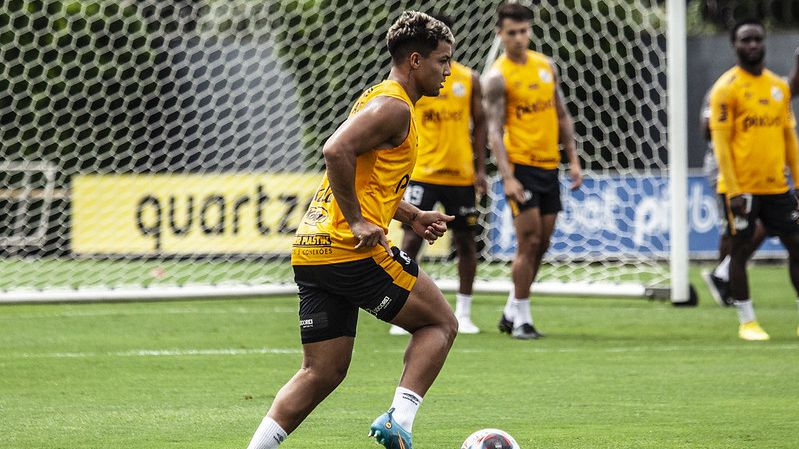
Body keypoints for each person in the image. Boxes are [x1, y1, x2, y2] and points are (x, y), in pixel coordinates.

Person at [245, 12, 457, 449]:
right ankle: (399, 420)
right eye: (442, 61)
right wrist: (359, 222)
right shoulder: (394, 107)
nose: (448, 71)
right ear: (415, 60)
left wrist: (410, 216)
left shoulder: (377, 99)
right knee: (439, 324)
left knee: (321, 371)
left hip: (313, 248)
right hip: (351, 249)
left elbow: (368, 178)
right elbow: (335, 150)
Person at [482, 3, 582, 340]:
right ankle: (523, 320)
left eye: (523, 31)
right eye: (512, 32)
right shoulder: (497, 77)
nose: (519, 38)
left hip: (549, 166)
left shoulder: (546, 66)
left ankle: (512, 308)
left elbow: (562, 114)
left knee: (542, 244)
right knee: (528, 241)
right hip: (521, 167)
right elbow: (494, 131)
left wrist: (573, 160)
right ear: (500, 34)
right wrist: (508, 177)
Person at [388, 13, 488, 336]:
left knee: (466, 242)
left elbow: (481, 123)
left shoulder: (468, 79)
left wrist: (480, 169)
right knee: (411, 238)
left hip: (460, 174)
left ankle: (465, 311)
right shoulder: (413, 82)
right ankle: (402, 307)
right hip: (423, 171)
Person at [708, 18, 799, 341]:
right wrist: (733, 190)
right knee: (740, 251)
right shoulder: (726, 88)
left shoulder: (778, 87)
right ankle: (747, 321)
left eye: (757, 39)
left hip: (776, 186)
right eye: (745, 40)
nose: (752, 45)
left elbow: (789, 139)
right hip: (741, 189)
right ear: (734, 45)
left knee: (797, 245)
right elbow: (721, 145)